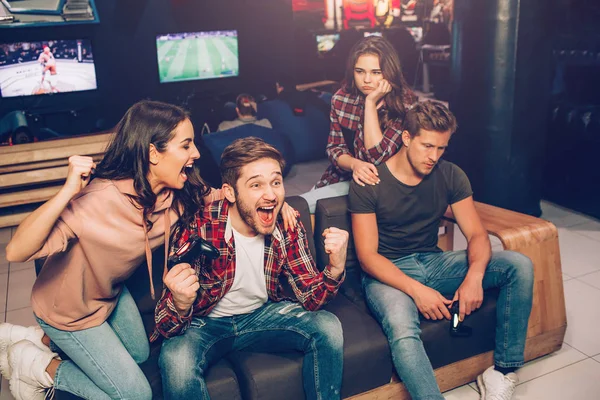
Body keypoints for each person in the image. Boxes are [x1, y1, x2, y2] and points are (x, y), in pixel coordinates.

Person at [0, 100, 211, 400]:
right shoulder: (97, 200)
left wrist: (278, 205)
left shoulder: (174, 195)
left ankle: (41, 340)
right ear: (153, 153)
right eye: (186, 145)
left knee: (140, 355)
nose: (196, 153)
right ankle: (39, 366)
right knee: (135, 395)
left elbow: (223, 196)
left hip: (108, 294)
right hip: (67, 311)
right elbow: (16, 252)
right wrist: (68, 191)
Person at [349, 101, 534, 400]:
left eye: (441, 148)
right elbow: (368, 257)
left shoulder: (451, 175)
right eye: (427, 146)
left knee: (518, 265)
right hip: (389, 272)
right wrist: (416, 291)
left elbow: (476, 233)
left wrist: (474, 276)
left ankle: (500, 372)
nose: (433, 156)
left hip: (433, 262)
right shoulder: (370, 182)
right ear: (406, 138)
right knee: (401, 324)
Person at [154, 137, 349, 400]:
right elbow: (165, 326)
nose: (270, 194)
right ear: (231, 192)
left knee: (328, 326)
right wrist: (178, 303)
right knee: (175, 359)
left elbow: (310, 298)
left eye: (276, 182)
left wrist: (335, 269)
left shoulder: (286, 224)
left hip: (262, 315)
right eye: (256, 184)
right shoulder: (198, 227)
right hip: (205, 323)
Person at [300, 35, 414, 213]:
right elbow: (334, 148)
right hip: (345, 176)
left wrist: (370, 104)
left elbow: (377, 158)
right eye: (360, 71)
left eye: (376, 72)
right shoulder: (341, 98)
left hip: (386, 185)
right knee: (299, 208)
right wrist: (354, 164)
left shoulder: (405, 106)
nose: (367, 80)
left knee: (304, 208)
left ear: (389, 72)